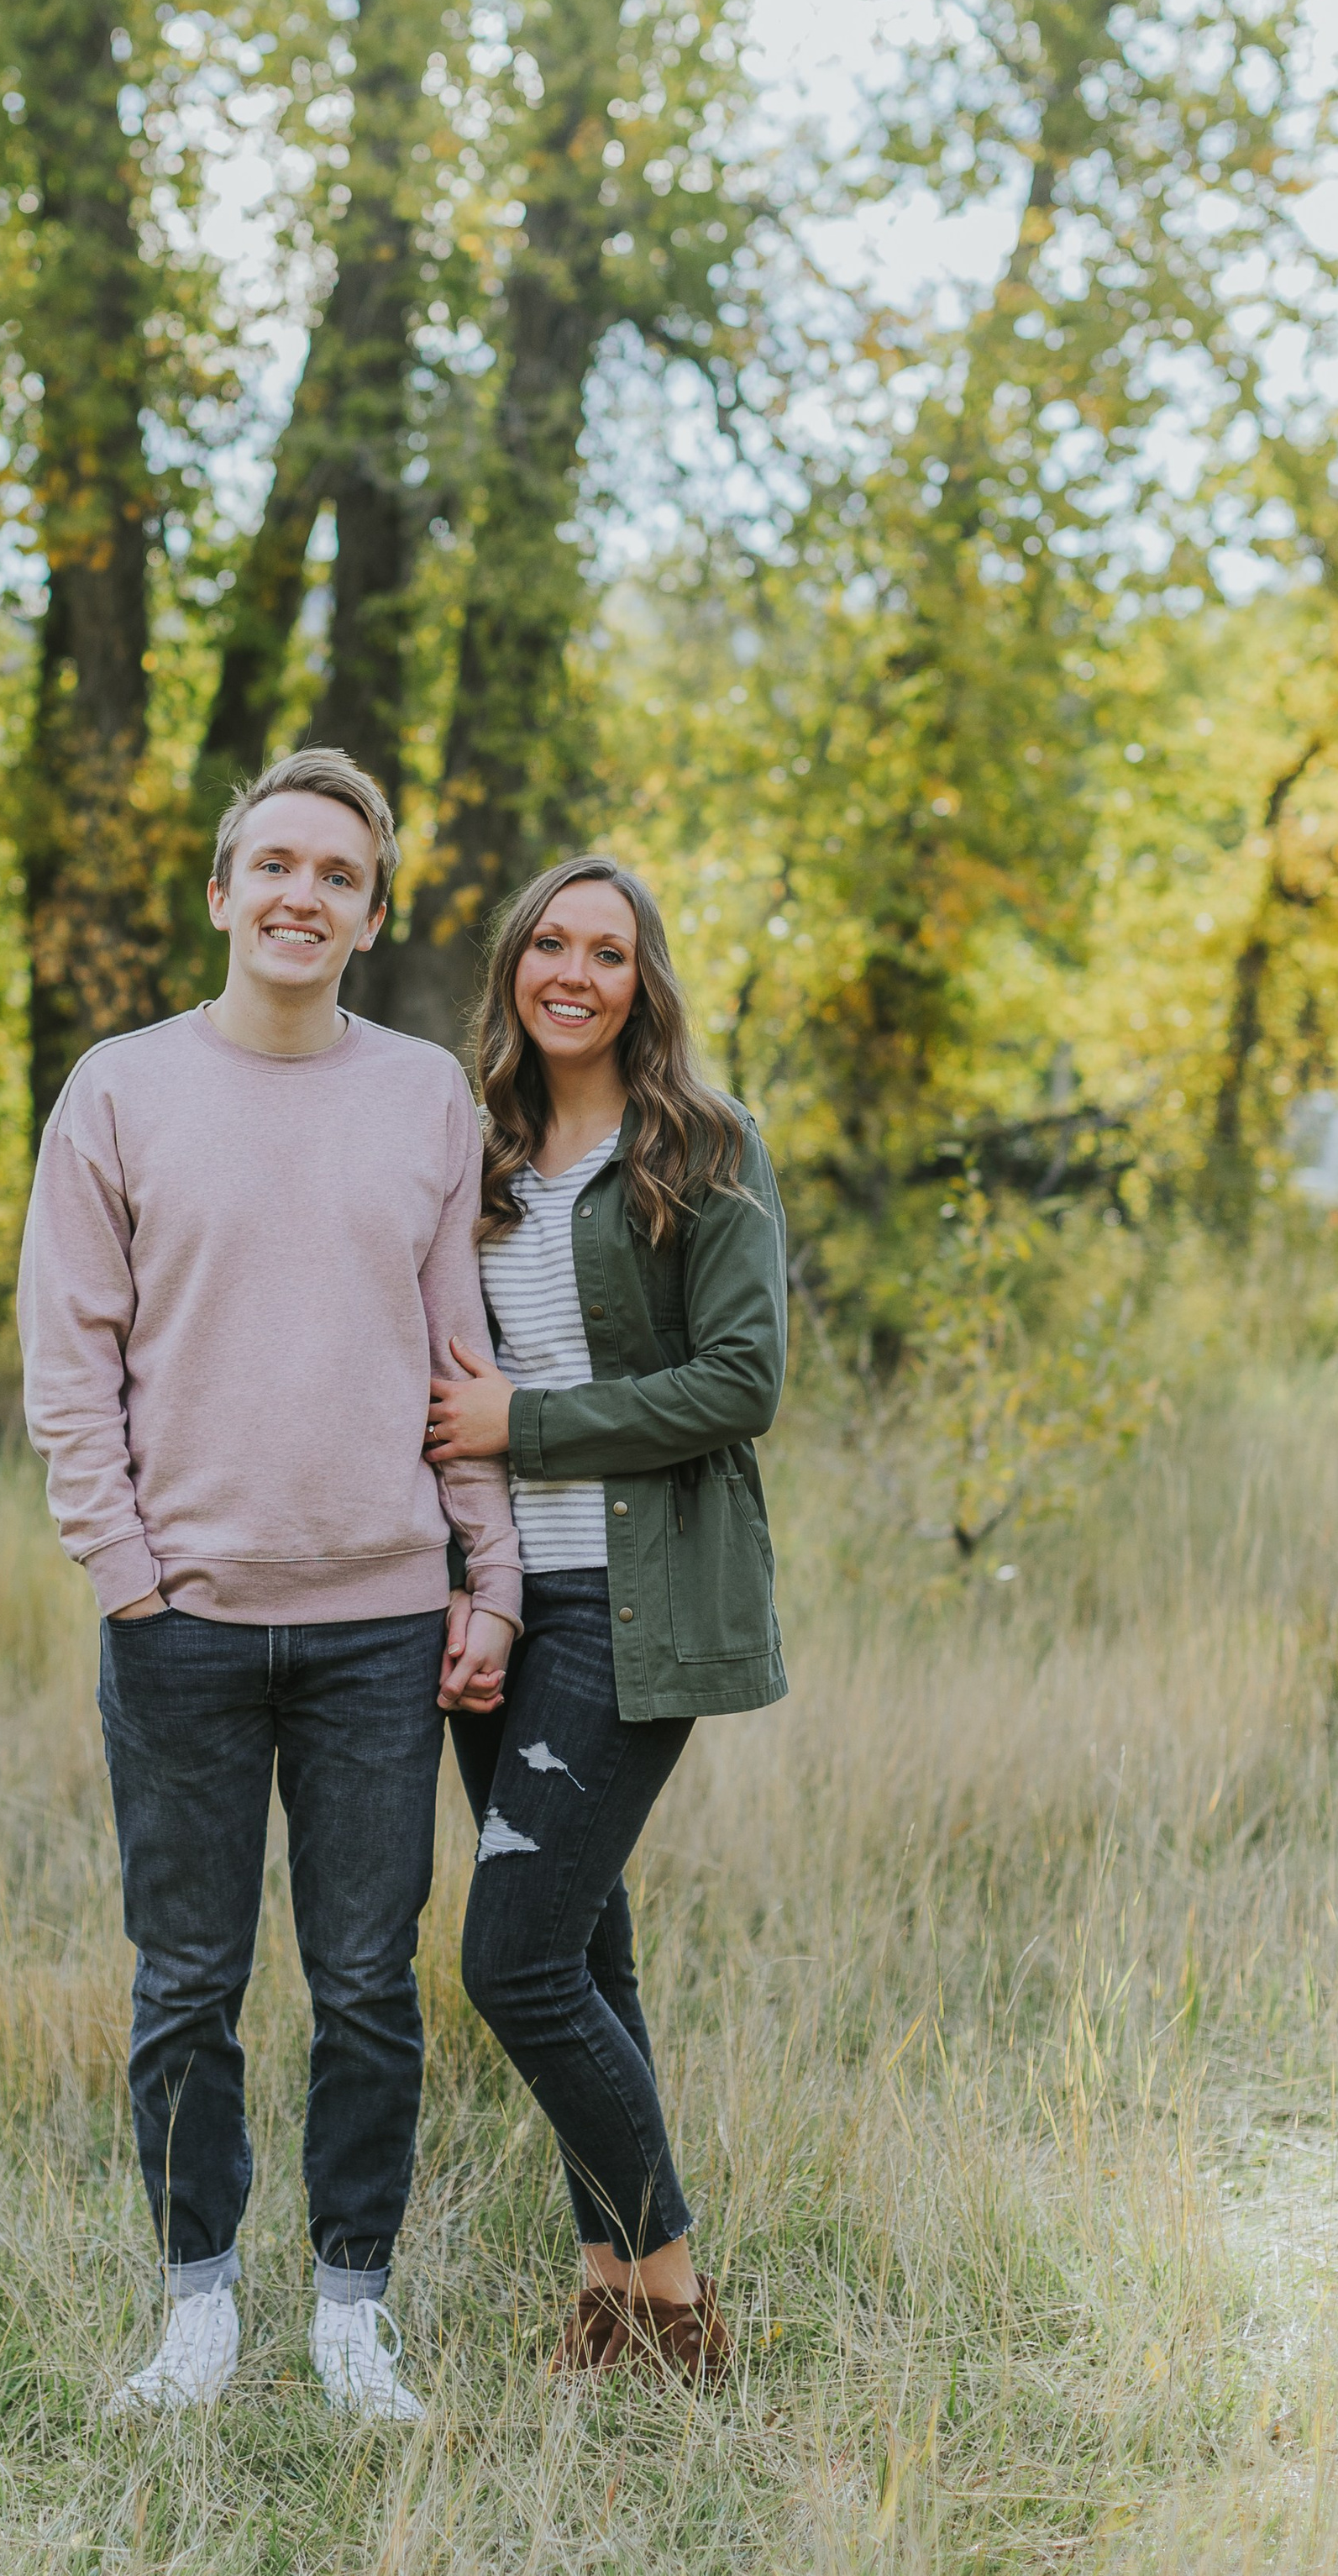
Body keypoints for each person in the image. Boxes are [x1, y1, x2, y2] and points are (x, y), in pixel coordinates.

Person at [16, 747, 522, 2422]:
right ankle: (197, 2312)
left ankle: (350, 2315)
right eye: (276, 866)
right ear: (224, 890)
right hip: (181, 1629)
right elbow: (67, 1354)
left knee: (371, 1987)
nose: (301, 896)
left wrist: (486, 1575)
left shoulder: (420, 1101)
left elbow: (462, 1366)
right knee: (187, 1987)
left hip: (379, 1622)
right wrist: (124, 1568)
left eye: (337, 877)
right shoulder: (118, 1089)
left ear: (368, 918)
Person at [424, 854, 788, 2381]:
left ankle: (680, 2303)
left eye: (610, 953)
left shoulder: (703, 1148)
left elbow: (740, 1382)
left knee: (511, 1963)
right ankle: (610, 2295)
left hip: (635, 1613)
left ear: (645, 984)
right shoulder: (473, 1146)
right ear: (514, 962)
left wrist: (528, 1422)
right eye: (551, 945)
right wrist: (472, 1576)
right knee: (585, 1955)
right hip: (501, 1608)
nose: (575, 973)